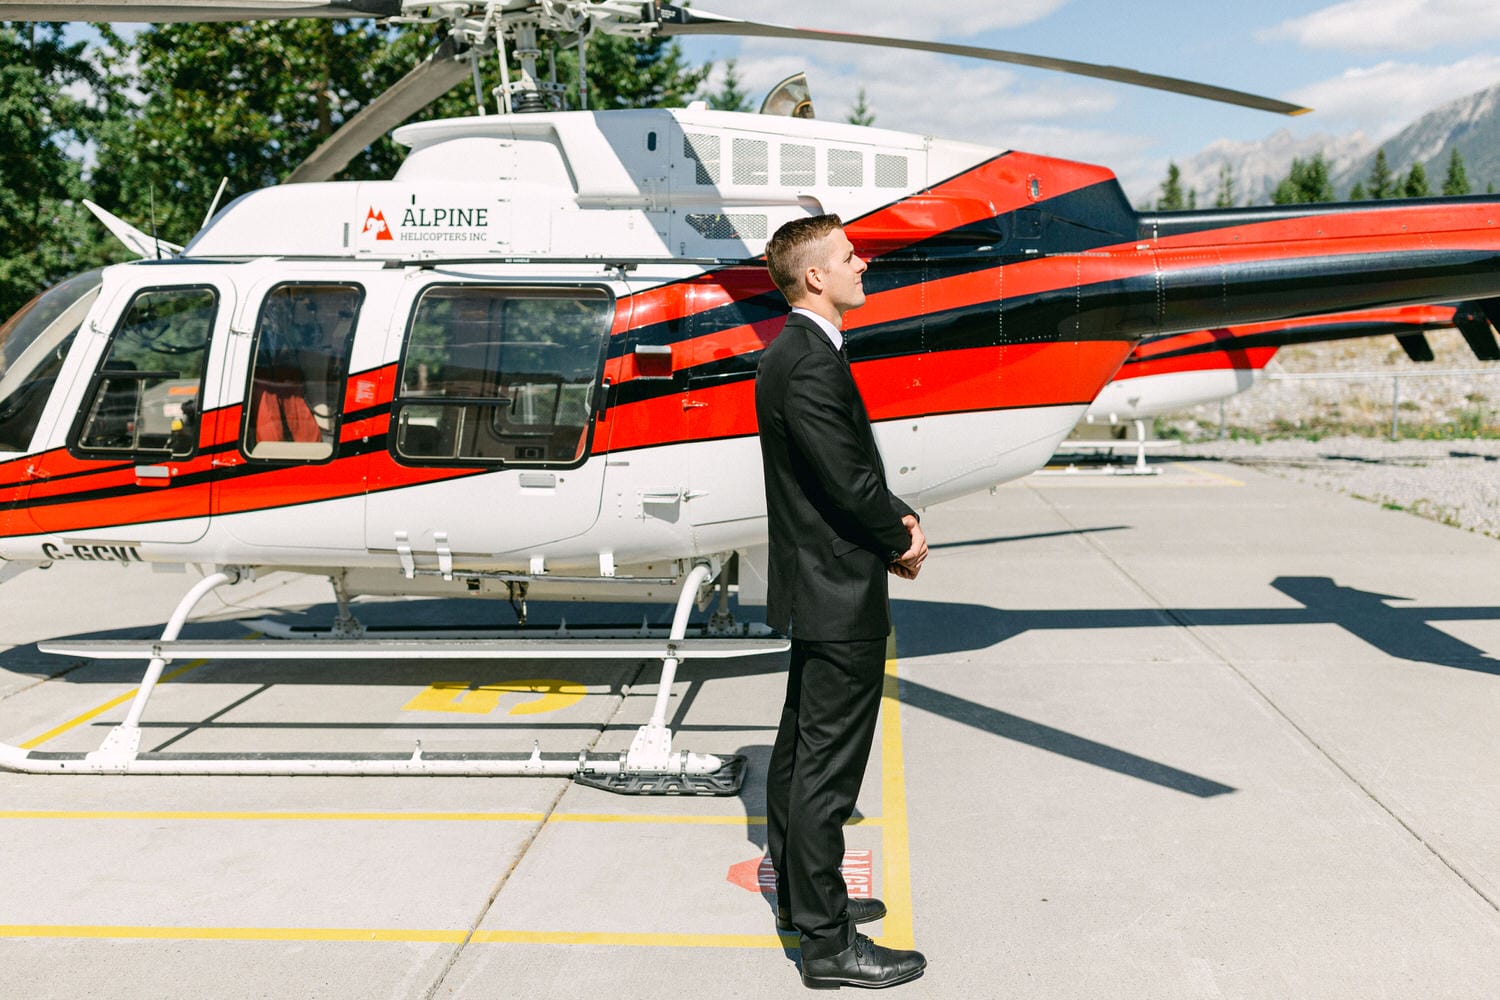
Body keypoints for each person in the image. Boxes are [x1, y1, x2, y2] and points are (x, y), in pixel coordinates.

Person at [755, 214, 929, 989]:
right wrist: (901, 534)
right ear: (815, 277)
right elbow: (845, 481)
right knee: (828, 771)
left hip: (815, 585)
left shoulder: (794, 353)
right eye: (850, 256)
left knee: (800, 755)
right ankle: (827, 947)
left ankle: (804, 903)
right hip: (837, 592)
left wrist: (896, 513)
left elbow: (843, 470)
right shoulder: (810, 363)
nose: (863, 264)